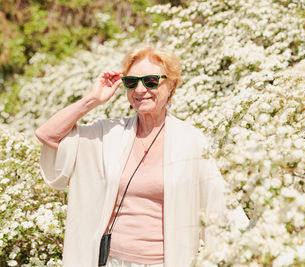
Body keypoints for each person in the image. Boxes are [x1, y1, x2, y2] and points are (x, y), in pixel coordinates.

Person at [35, 45, 248, 267]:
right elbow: (47, 135)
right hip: (110, 261)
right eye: (131, 82)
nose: (139, 89)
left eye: (151, 81)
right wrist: (93, 99)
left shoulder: (191, 141)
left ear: (171, 85)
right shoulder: (108, 134)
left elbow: (219, 206)